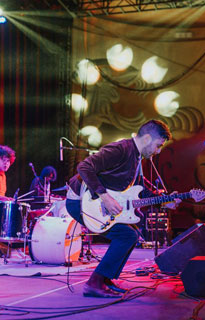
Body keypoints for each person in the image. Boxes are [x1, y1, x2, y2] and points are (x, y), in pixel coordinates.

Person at [66, 120, 177, 298]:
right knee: (127, 235)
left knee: (131, 234)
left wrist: (164, 201)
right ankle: (94, 283)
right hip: (80, 201)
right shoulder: (121, 149)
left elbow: (139, 189)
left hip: (94, 201)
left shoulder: (136, 157)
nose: (158, 151)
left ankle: (104, 279)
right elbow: (84, 167)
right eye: (158, 146)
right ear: (147, 138)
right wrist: (105, 196)